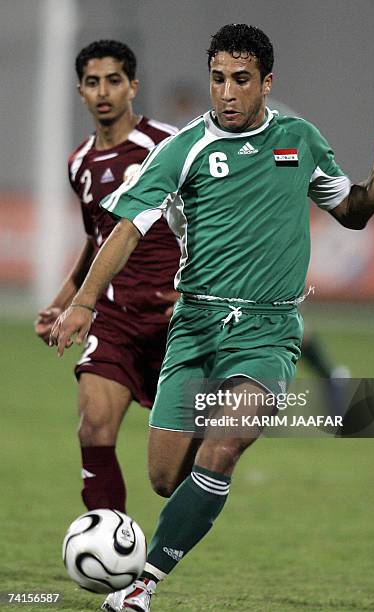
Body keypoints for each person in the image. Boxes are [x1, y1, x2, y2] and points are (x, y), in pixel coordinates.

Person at [49, 24, 374, 612]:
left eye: (241, 80)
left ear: (267, 83)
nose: (226, 92)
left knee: (221, 449)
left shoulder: (300, 140)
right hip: (194, 330)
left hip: (267, 332)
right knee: (167, 480)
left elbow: (350, 211)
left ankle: (140, 590)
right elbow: (126, 230)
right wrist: (84, 302)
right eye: (218, 79)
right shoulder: (183, 149)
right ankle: (198, 496)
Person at [34, 40, 180, 514]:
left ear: (132, 87)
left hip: (174, 318)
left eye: (113, 80)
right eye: (93, 82)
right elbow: (96, 241)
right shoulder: (79, 163)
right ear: (80, 91)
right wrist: (63, 302)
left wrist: (196, 289)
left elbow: (211, 220)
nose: (103, 92)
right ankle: (109, 548)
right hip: (115, 318)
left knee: (172, 474)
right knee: (93, 426)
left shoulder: (168, 144)